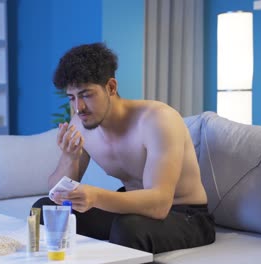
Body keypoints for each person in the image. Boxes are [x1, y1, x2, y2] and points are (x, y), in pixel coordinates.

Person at [32, 42, 215, 254]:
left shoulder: (158, 120)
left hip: (184, 215)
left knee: (129, 227)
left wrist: (97, 196)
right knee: (44, 210)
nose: (78, 107)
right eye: (72, 98)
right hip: (132, 211)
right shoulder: (80, 123)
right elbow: (56, 194)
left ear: (111, 87)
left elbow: (160, 203)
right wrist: (69, 158)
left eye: (86, 95)